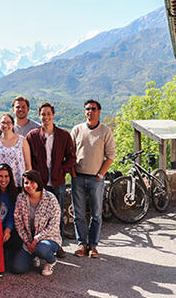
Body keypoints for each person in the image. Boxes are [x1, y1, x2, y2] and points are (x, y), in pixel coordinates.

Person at [26, 102, 76, 257]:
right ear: (39, 116)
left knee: (57, 215)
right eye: (43, 114)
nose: (46, 117)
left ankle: (58, 245)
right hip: (40, 184)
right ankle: (40, 246)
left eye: (48, 113)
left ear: (53, 115)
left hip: (57, 182)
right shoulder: (33, 136)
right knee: (39, 217)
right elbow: (29, 159)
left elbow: (72, 157)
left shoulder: (63, 135)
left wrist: (62, 171)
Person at [70, 99, 116, 258]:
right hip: (78, 177)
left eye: (93, 109)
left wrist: (101, 174)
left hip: (96, 179)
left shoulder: (105, 131)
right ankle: (82, 244)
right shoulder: (77, 130)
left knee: (96, 214)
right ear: (85, 112)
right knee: (78, 214)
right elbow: (70, 155)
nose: (90, 111)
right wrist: (73, 173)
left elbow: (110, 156)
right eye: (88, 109)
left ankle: (93, 246)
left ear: (99, 111)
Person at [12, 170, 62, 276]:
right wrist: (27, 241)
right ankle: (34, 255)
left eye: (32, 182)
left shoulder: (50, 198)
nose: (29, 185)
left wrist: (36, 239)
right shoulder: (20, 198)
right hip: (29, 240)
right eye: (26, 183)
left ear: (38, 182)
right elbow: (18, 223)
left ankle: (51, 261)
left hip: (48, 238)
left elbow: (54, 225)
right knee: (18, 268)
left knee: (42, 248)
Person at [0, 164, 21, 278]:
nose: (3, 180)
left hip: (4, 230)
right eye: (0, 176)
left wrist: (7, 230)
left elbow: (12, 216)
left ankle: (6, 255)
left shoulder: (13, 194)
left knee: (16, 241)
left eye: (6, 176)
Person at [0, 114, 32, 187]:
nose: (6, 125)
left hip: (19, 182)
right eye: (3, 123)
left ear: (12, 124)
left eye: (8, 122)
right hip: (2, 184)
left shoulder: (22, 140)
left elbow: (28, 165)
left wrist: (28, 183)